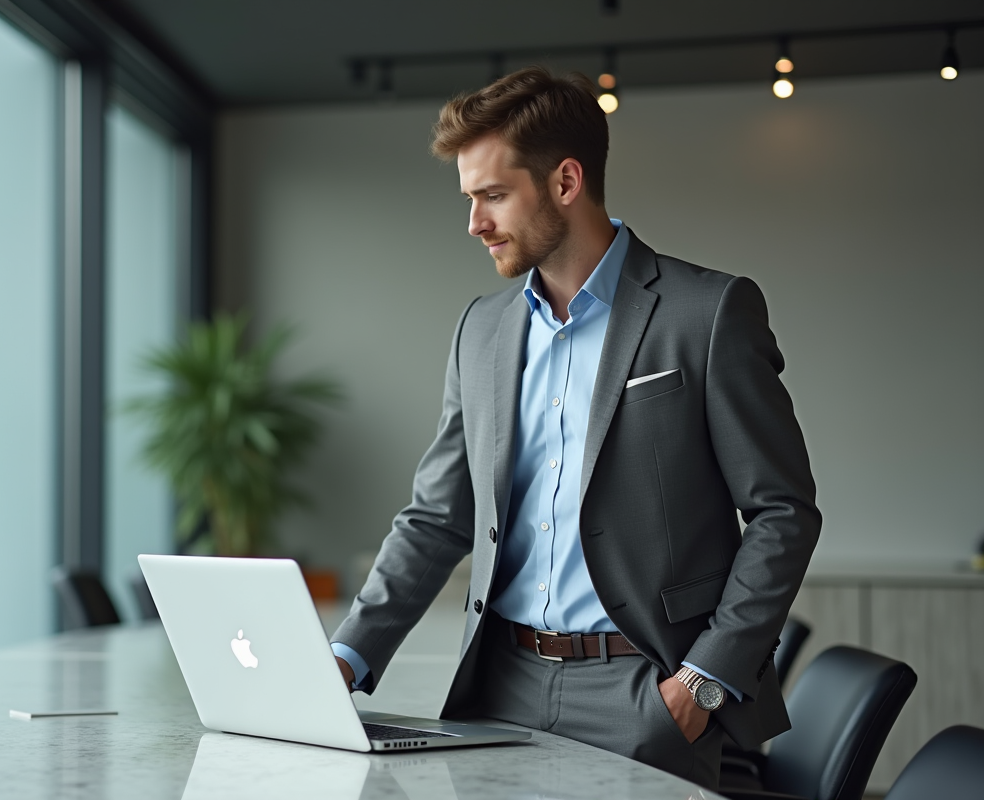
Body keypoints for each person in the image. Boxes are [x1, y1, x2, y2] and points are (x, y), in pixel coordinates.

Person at [329, 66, 820, 789]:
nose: (474, 223)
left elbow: (783, 512)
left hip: (644, 694)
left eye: (493, 196)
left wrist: (701, 685)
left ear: (565, 182)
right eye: (469, 199)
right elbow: (437, 516)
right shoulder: (481, 330)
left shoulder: (707, 313)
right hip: (498, 686)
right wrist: (346, 657)